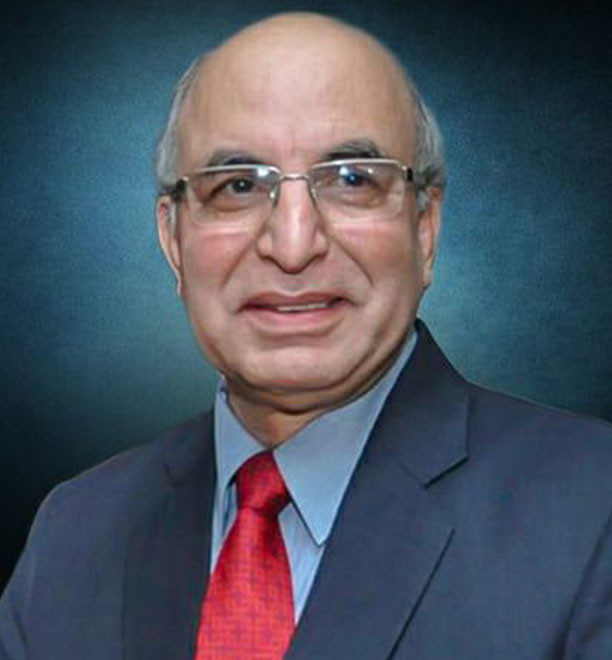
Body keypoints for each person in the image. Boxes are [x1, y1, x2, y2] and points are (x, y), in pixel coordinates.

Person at [1, 11, 611, 660]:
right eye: (238, 185)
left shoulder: (593, 508)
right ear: (173, 240)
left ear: (424, 228)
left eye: (352, 179)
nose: (293, 245)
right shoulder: (74, 533)